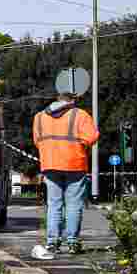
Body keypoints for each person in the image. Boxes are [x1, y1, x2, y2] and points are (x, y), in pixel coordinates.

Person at [30, 92, 99, 260]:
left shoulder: (39, 117)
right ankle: (72, 242)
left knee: (54, 205)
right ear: (72, 101)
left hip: (50, 164)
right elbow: (92, 137)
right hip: (74, 164)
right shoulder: (80, 114)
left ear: (57, 100)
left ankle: (53, 242)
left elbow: (37, 140)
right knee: (74, 204)